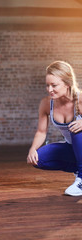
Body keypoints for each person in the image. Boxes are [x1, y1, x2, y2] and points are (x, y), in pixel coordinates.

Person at [27, 61, 82, 196]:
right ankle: (78, 169)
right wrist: (32, 149)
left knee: (76, 127)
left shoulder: (80, 99)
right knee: (39, 159)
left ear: (67, 83)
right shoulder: (46, 103)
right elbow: (41, 131)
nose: (49, 89)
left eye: (54, 85)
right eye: (47, 85)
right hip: (73, 148)